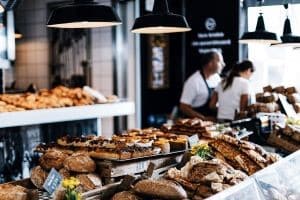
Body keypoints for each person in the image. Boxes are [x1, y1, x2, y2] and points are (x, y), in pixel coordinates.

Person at [179, 50, 225, 120]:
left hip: (213, 122)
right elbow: (183, 107)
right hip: (197, 125)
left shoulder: (217, 78)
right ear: (210, 63)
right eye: (219, 61)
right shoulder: (194, 81)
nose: (223, 64)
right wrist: (203, 118)